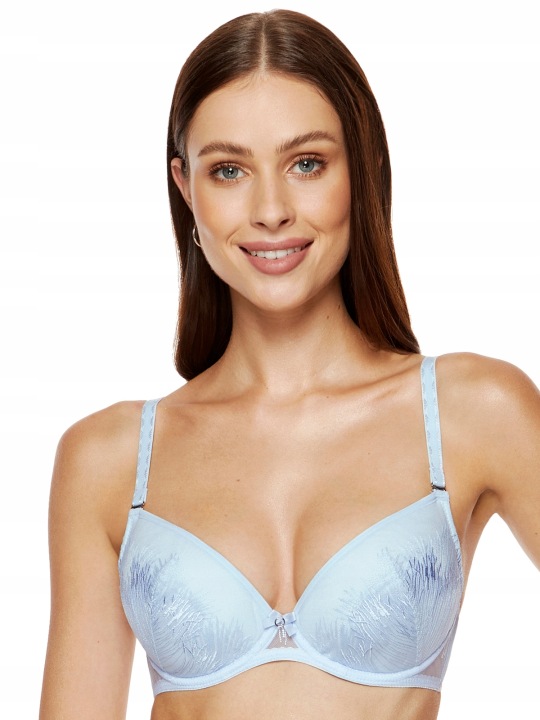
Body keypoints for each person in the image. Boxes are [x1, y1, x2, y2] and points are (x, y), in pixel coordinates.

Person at [39, 9, 540, 720]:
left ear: (361, 167)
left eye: (307, 163)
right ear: (185, 187)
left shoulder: (474, 412)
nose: (271, 210)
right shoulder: (108, 459)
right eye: (229, 170)